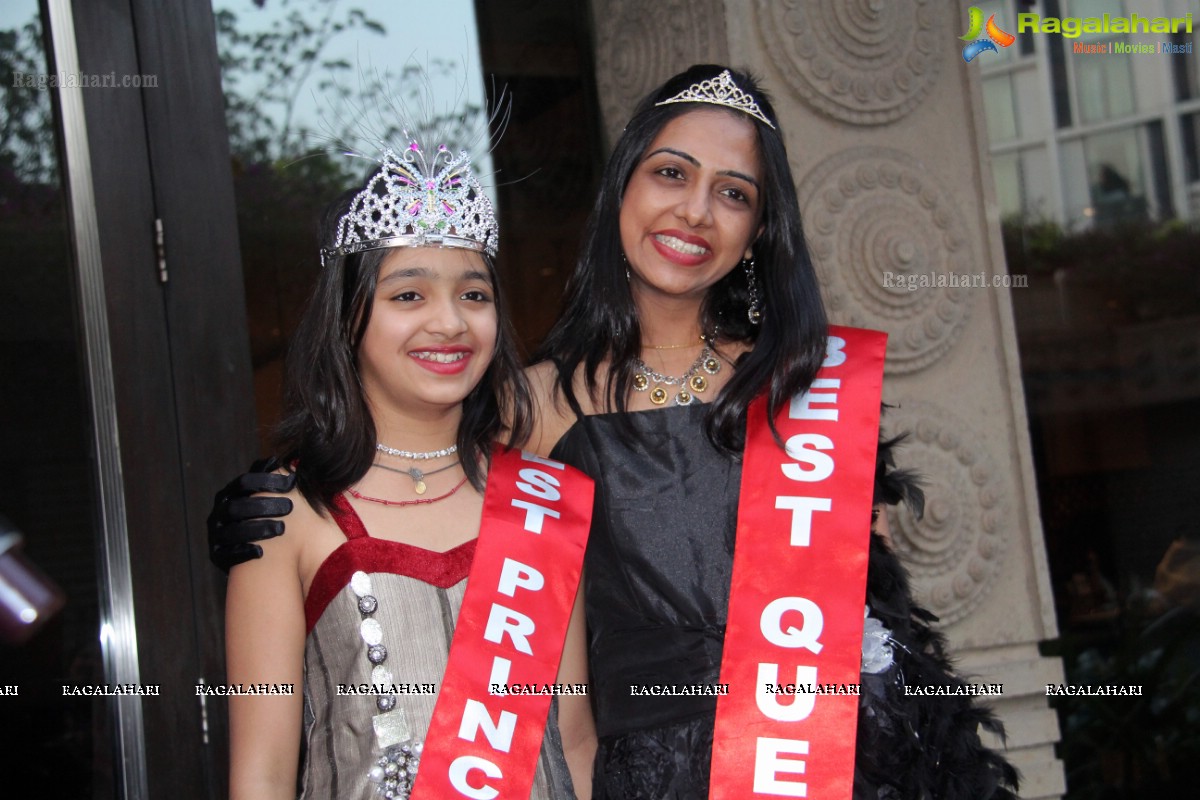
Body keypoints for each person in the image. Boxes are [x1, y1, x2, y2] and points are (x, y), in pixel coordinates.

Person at [213, 65, 1018, 799]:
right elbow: (410, 471)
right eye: (671, 173)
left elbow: (874, 607)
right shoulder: (526, 409)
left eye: (734, 193)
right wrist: (268, 510)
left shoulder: (806, 391)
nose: (696, 211)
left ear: (758, 232)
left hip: (829, 765)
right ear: (621, 189)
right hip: (645, 773)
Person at [223, 134, 595, 799]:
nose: (450, 322)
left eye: (474, 295)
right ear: (346, 320)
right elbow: (262, 774)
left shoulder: (544, 499)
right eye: (408, 296)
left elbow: (573, 741)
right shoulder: (287, 513)